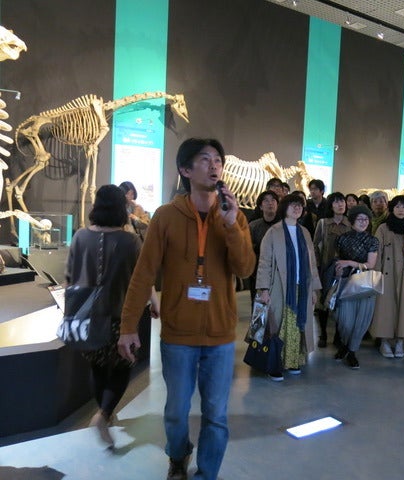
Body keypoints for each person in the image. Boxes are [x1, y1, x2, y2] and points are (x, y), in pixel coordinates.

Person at [118, 138, 255, 480]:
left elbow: (245, 268)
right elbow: (144, 273)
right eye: (205, 159)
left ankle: (207, 473)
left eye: (218, 160)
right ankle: (178, 454)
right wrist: (128, 326)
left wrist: (231, 224)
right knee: (177, 411)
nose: (214, 165)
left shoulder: (234, 217)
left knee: (216, 415)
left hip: (221, 336)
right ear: (185, 169)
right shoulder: (166, 216)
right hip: (178, 335)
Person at [66, 184, 153, 447]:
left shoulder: (80, 236)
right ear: (121, 208)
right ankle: (104, 414)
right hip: (120, 317)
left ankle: (104, 412)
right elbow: (141, 278)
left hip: (86, 317)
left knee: (97, 367)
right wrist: (154, 300)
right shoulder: (130, 241)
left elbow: (69, 276)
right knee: (123, 366)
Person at [256, 194, 322, 381]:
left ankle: (292, 361)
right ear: (284, 208)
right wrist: (263, 289)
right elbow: (265, 262)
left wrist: (314, 289)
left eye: (300, 205)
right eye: (293, 205)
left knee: (297, 325)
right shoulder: (273, 232)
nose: (297, 208)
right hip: (279, 286)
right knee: (278, 325)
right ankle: (275, 364)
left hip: (302, 287)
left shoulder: (305, 232)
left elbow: (311, 263)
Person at [371, 195, 404, 358]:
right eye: (397, 206)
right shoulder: (383, 228)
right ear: (392, 209)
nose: (401, 210)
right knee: (385, 308)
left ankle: (400, 341)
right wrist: (376, 274)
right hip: (386, 273)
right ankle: (384, 341)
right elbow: (376, 252)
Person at [333, 205, 379, 369]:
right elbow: (336, 260)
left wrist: (349, 263)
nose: (363, 222)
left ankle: (352, 351)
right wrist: (339, 270)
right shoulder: (342, 238)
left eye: (366, 219)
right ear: (352, 221)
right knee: (344, 320)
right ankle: (345, 345)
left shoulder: (372, 240)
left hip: (365, 284)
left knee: (361, 321)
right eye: (360, 219)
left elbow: (370, 264)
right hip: (346, 282)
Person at [313, 192, 351, 348]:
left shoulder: (350, 223)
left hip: (345, 269)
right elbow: (315, 246)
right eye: (336, 202)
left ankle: (338, 335)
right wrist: (316, 267)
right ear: (330, 205)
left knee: (341, 301)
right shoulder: (323, 223)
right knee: (323, 302)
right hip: (325, 268)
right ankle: (323, 333)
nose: (340, 204)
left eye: (342, 201)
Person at [248, 191, 280, 304]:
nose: (270, 203)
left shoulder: (284, 226)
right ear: (261, 206)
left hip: (279, 273)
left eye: (273, 200)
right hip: (258, 272)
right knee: (258, 306)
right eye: (266, 201)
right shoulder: (253, 226)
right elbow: (248, 249)